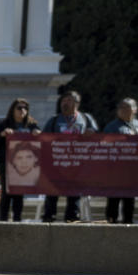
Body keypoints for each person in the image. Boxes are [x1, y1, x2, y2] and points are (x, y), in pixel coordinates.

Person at [40, 90, 98, 222]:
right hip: (56, 166)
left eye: (69, 100)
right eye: (63, 101)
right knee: (51, 197)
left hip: (77, 166)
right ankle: (48, 221)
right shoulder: (54, 120)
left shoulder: (85, 118)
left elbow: (96, 135)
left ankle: (72, 222)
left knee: (74, 199)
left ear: (77, 103)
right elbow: (44, 139)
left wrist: (91, 132)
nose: (65, 103)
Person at [0, 98, 41, 221]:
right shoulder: (4, 124)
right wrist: (2, 134)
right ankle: (3, 219)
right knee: (7, 192)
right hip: (7, 163)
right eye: (19, 108)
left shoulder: (32, 125)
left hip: (26, 165)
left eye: (25, 108)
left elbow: (42, 143)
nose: (23, 110)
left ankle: (17, 219)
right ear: (12, 110)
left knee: (19, 193)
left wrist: (38, 134)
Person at [102, 98, 138, 224]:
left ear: (134, 109)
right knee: (113, 202)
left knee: (129, 203)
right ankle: (111, 225)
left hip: (133, 174)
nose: (121, 110)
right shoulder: (111, 127)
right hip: (115, 173)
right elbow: (104, 146)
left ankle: (128, 226)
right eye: (120, 107)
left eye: (125, 107)